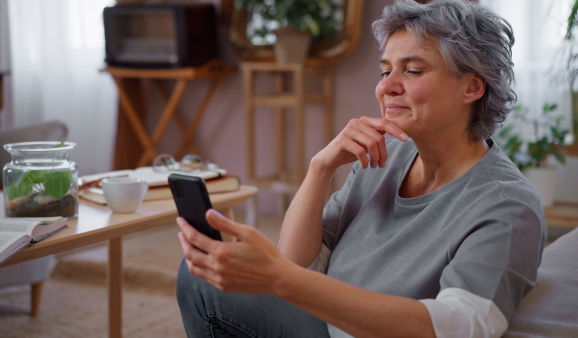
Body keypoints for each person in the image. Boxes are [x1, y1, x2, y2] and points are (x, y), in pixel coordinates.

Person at [176, 0, 545, 336]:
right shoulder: (386, 155)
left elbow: (462, 327)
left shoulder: (507, 204)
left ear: (473, 87)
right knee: (201, 276)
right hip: (324, 323)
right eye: (386, 71)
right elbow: (300, 261)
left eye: (413, 71)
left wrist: (277, 277)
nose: (387, 87)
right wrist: (320, 168)